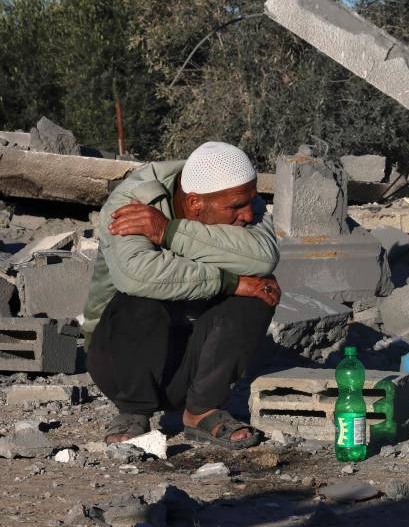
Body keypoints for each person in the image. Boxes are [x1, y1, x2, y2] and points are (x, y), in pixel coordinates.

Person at [82, 141, 281, 449]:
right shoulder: (134, 198)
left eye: (250, 202)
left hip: (192, 365)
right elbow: (136, 273)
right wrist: (229, 281)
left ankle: (202, 410)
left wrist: (169, 232)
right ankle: (134, 410)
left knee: (261, 289)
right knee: (140, 295)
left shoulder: (241, 195)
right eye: (235, 208)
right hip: (120, 364)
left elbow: (263, 258)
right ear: (195, 203)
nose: (247, 215)